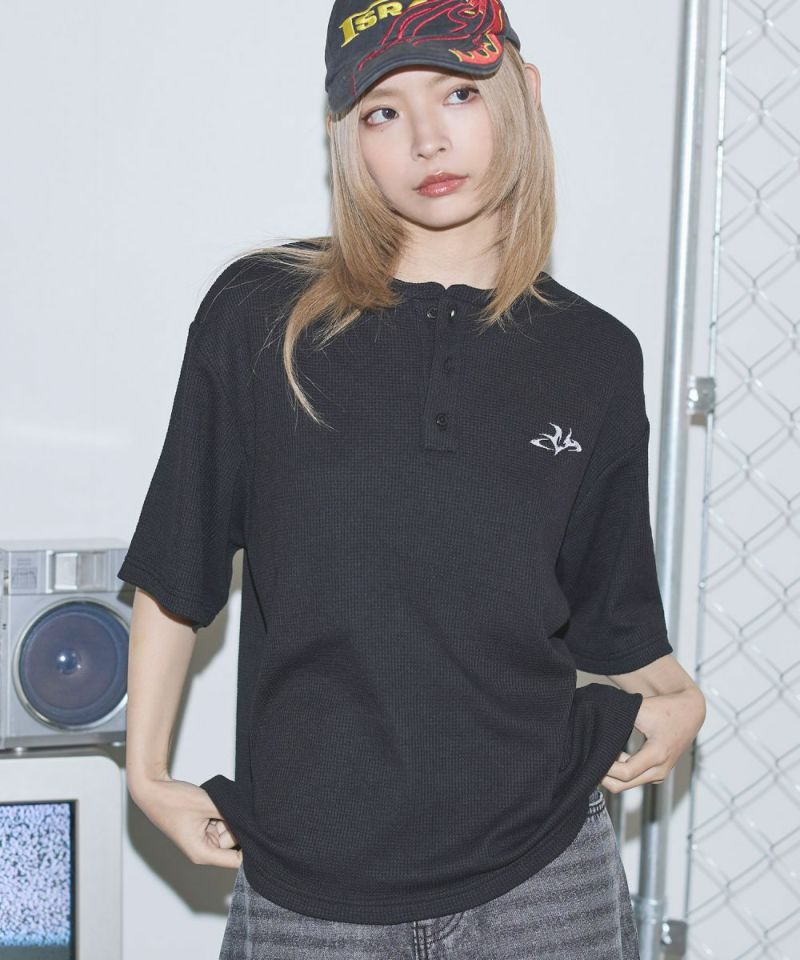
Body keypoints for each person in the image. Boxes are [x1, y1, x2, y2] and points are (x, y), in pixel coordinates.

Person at [120, 0, 707, 957]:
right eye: (383, 111)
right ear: (342, 136)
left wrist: (680, 697)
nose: (427, 138)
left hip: (546, 879)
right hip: (310, 889)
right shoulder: (261, 314)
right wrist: (145, 774)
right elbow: (175, 564)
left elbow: (615, 616)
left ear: (524, 94)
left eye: (459, 93)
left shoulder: (595, 354)